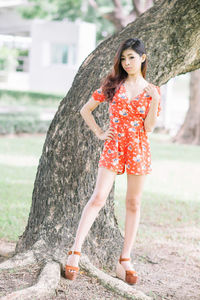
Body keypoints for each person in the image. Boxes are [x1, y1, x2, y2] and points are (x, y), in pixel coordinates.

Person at [65, 38, 161, 284]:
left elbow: (149, 128)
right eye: (123, 58)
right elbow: (85, 109)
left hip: (138, 147)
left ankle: (125, 259)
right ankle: (75, 252)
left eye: (132, 57)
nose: (127, 62)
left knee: (133, 202)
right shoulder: (113, 85)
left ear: (143, 57)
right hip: (114, 145)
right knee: (98, 198)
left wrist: (156, 101)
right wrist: (99, 132)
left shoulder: (152, 91)